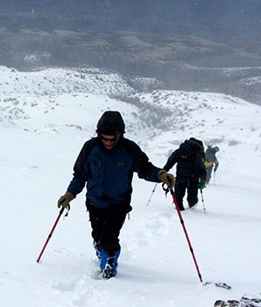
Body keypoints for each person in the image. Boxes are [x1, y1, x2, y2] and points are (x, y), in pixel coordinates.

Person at [57, 111, 175, 279]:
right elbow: (80, 175)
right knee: (98, 236)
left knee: (109, 239)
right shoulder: (90, 148)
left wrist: (161, 175)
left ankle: (111, 262)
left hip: (119, 203)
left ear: (120, 135)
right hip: (95, 202)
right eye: (105, 139)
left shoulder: (129, 149)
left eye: (112, 139)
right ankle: (100, 248)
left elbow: (145, 169)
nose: (108, 143)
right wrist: (70, 194)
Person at [163, 138, 207, 211]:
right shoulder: (177, 153)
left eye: (185, 156)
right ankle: (180, 210)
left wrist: (203, 181)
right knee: (178, 197)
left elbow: (202, 169)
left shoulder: (196, 155)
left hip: (193, 178)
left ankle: (193, 210)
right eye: (182, 156)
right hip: (181, 177)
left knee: (192, 200)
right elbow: (169, 163)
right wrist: (163, 172)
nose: (183, 157)